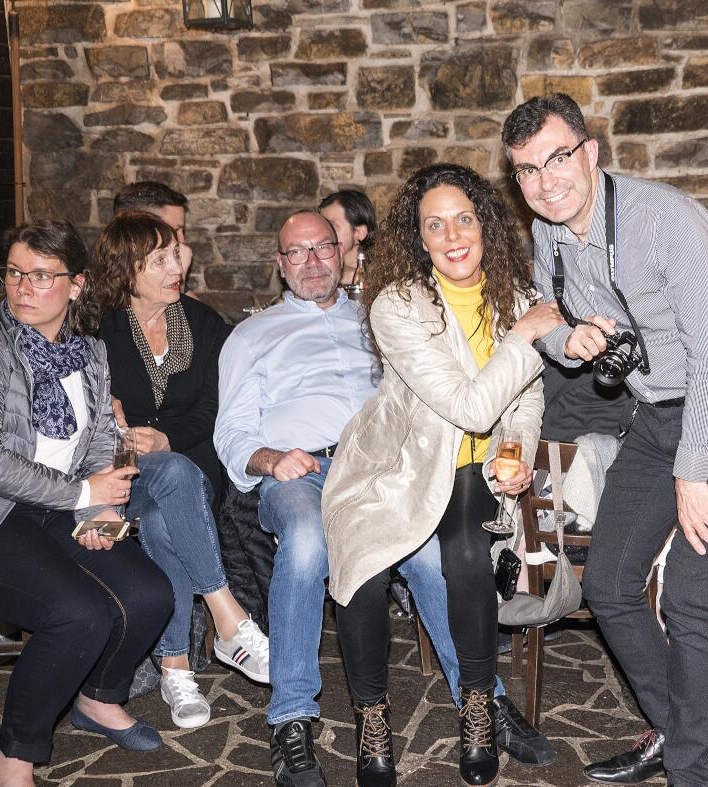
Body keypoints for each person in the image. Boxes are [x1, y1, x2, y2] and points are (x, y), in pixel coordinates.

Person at [502, 93, 708, 787]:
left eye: (557, 158)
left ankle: (688, 772)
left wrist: (693, 473)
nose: (545, 181)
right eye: (527, 170)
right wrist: (572, 339)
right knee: (607, 584)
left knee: (687, 596)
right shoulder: (547, 233)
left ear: (590, 152)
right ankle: (676, 732)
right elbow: (554, 328)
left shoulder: (664, 218)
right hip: (656, 413)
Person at [215, 208, 553, 787]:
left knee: (430, 556)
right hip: (302, 470)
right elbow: (231, 433)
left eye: (323, 247)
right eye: (297, 252)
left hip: (386, 471)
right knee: (306, 544)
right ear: (280, 264)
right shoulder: (251, 335)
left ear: (343, 253)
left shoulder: (381, 314)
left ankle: (485, 701)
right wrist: (271, 459)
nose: (312, 261)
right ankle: (291, 719)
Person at [321, 164, 562, 787]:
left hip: (474, 468)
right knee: (362, 573)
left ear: (485, 225)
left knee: (468, 556)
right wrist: (524, 337)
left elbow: (523, 400)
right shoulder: (397, 306)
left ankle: (478, 709)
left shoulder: (513, 298)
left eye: (464, 219)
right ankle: (372, 719)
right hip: (395, 464)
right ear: (418, 237)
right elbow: (470, 406)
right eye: (435, 225)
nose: (453, 236)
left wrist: (514, 453)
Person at [0, 221, 173, 787]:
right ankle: (14, 761)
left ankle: (98, 699)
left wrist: (101, 512)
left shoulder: (89, 351)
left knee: (150, 594)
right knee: (78, 614)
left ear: (77, 285)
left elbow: (100, 442)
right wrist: (83, 495)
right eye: (14, 272)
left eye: (42, 276)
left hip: (55, 508)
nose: (23, 287)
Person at [90, 211, 270, 730]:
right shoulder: (96, 330)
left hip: (193, 464)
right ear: (127, 270)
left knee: (171, 490)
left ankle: (175, 668)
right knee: (168, 480)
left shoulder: (204, 323)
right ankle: (227, 617)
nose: (177, 268)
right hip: (119, 471)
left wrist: (167, 438)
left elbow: (217, 408)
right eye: (160, 260)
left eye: (176, 254)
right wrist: (114, 423)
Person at [114, 181, 195, 294]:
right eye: (173, 230)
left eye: (182, 231)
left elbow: (196, 304)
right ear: (139, 225)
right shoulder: (107, 275)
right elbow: (174, 304)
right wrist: (182, 275)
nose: (182, 239)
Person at [319, 189, 376, 300]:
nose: (322, 233)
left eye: (332, 226)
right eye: (322, 226)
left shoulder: (383, 278)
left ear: (359, 233)